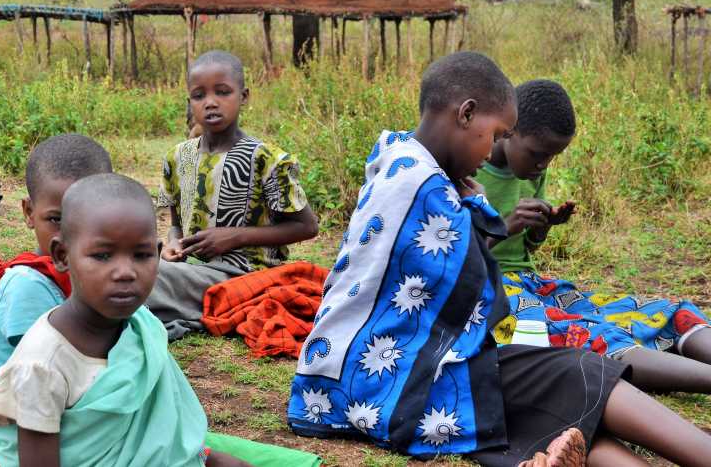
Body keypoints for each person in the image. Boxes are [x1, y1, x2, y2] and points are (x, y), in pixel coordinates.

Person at [288, 52, 711, 467]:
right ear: (467, 114)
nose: (492, 149)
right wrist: (483, 212)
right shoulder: (428, 187)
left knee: (567, 421)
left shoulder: (398, 159)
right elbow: (482, 296)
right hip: (390, 386)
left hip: (335, 388)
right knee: (574, 371)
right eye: (496, 134)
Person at [0, 173, 251, 467]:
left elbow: (162, 433)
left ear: (158, 256)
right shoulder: (41, 365)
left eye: (141, 255)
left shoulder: (141, 326)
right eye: (103, 255)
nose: (125, 272)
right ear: (62, 255)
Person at [477, 79, 711, 393]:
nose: (543, 164)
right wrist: (504, 227)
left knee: (667, 312)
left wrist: (541, 228)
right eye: (536, 154)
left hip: (532, 283)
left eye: (551, 157)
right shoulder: (470, 169)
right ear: (510, 130)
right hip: (491, 290)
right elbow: (450, 257)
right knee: (588, 332)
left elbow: (527, 249)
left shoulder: (533, 169)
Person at [150, 50, 319, 339]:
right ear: (190, 102)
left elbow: (307, 226)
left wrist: (234, 236)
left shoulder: (267, 158)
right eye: (199, 95)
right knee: (129, 261)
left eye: (223, 92)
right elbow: (176, 224)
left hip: (244, 275)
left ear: (244, 96)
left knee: (146, 279)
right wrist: (173, 245)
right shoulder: (178, 157)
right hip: (191, 268)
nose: (211, 102)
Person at [0, 134, 113, 390]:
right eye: (57, 219)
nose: (73, 233)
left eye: (89, 216)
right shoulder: (27, 286)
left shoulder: (111, 268)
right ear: (29, 212)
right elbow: (48, 379)